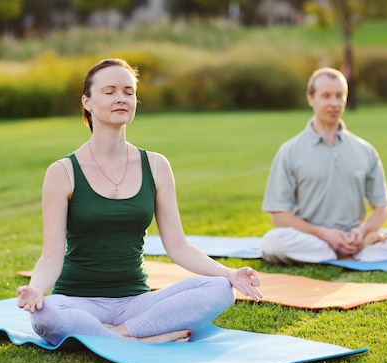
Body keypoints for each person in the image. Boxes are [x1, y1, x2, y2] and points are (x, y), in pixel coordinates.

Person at [17, 58, 262, 346]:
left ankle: (120, 334)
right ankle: (144, 337)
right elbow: (51, 256)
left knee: (220, 289)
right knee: (46, 316)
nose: (121, 98)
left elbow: (179, 247)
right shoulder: (62, 172)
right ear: (87, 102)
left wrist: (230, 274)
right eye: (109, 92)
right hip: (78, 301)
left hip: (136, 301)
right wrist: (36, 289)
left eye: (128, 92)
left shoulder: (156, 165)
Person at [259, 67, 387, 265]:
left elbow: (381, 208)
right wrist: (324, 234)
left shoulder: (365, 150)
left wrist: (363, 232)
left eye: (339, 96)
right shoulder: (289, 151)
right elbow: (278, 215)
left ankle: (351, 250)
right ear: (311, 98)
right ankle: (349, 253)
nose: (334, 103)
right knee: (272, 243)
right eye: (326, 96)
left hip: (356, 238)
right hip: (313, 238)